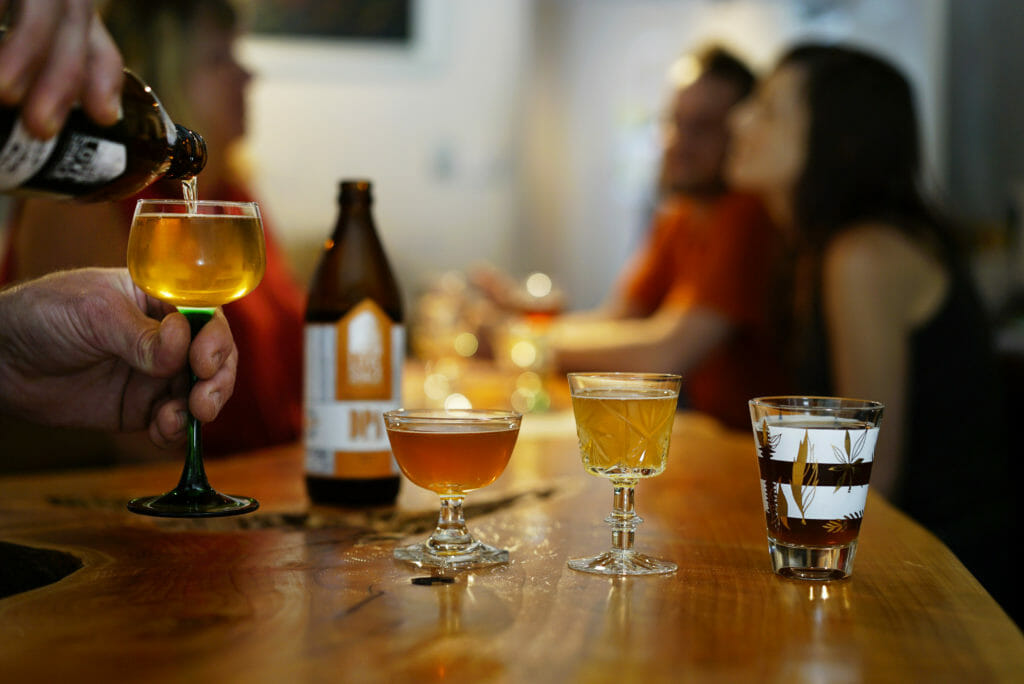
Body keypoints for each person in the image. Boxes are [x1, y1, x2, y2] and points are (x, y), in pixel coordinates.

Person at [726, 43, 1014, 616]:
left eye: (769, 107)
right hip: (895, 563)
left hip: (950, 587)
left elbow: (872, 478)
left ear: (839, 138)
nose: (739, 119)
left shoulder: (863, 255)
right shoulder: (818, 250)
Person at [1, 0, 305, 458]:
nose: (248, 76)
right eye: (217, 59)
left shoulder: (234, 197)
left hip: (277, 490)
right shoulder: (87, 200)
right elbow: (129, 450)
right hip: (173, 510)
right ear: (157, 84)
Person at [549, 46, 787, 430]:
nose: (680, 141)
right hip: (700, 434)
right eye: (674, 121)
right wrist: (516, 329)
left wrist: (523, 345)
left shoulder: (748, 214)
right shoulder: (680, 213)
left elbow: (662, 355)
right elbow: (620, 319)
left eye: (704, 127)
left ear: (742, 130)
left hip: (749, 450)